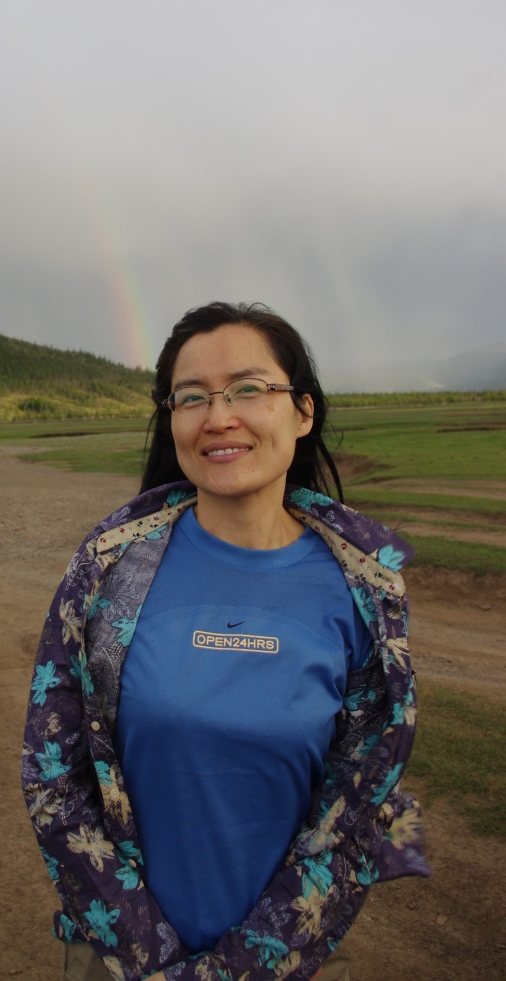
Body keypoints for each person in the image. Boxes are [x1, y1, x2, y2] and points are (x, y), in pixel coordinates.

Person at [22, 302, 428, 981]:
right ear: (171, 419)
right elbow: (53, 777)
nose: (218, 417)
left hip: (281, 963)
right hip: (118, 959)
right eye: (192, 397)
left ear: (303, 411)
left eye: (247, 389)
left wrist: (244, 967)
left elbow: (354, 808)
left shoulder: (364, 590)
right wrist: (154, 959)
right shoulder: (105, 571)